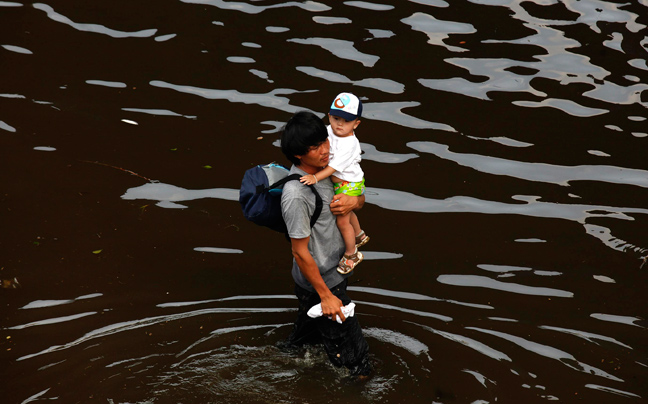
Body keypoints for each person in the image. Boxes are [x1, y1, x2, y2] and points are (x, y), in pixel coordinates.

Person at [280, 110, 371, 377]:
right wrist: (327, 296)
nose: (325, 150)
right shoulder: (297, 195)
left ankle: (285, 362)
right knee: (358, 366)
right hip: (323, 282)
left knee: (301, 345)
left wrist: (356, 201)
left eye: (325, 141)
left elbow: (355, 198)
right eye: (315, 147)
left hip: (327, 276)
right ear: (299, 154)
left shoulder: (328, 170)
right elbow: (299, 251)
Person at [300, 92, 369, 274]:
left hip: (350, 183)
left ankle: (351, 253)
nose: (340, 124)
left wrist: (315, 178)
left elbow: (333, 167)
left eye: (346, 121)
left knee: (342, 220)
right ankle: (359, 234)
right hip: (342, 183)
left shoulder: (350, 144)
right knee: (348, 211)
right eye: (336, 118)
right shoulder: (329, 131)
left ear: (356, 124)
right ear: (329, 116)